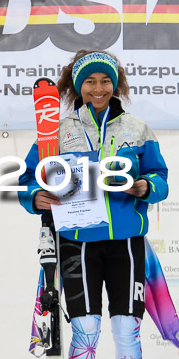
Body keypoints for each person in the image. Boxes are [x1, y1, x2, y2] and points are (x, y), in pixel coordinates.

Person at [18, 50, 169, 358]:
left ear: (116, 84)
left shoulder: (137, 128)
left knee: (128, 330)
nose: (98, 89)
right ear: (77, 86)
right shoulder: (57, 131)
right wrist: (34, 195)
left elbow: (160, 177)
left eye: (105, 81)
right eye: (89, 81)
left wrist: (145, 186)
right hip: (76, 241)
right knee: (85, 331)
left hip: (126, 242)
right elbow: (27, 178)